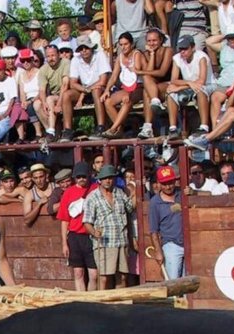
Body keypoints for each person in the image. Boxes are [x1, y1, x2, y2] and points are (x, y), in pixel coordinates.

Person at [84, 164, 134, 290]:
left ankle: (122, 306)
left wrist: (135, 190)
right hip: (104, 242)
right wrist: (94, 233)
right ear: (100, 180)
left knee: (122, 276)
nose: (108, 180)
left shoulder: (120, 193)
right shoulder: (92, 197)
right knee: (104, 277)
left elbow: (130, 208)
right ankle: (102, 307)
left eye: (110, 178)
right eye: (105, 178)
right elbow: (87, 222)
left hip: (121, 241)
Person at [57, 161, 97, 291]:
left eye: (83, 176)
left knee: (94, 274)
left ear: (89, 175)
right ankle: (82, 302)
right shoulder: (69, 192)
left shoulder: (96, 188)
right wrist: (64, 243)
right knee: (78, 272)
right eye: (78, 177)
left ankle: (92, 301)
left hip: (92, 236)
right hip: (75, 236)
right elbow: (64, 220)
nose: (81, 179)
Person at [166, 35, 215, 139]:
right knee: (171, 93)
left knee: (200, 90)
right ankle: (173, 128)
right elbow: (174, 79)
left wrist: (180, 87)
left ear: (193, 47)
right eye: (180, 49)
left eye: (185, 49)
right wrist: (189, 83)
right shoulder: (177, 58)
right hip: (190, 86)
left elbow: (201, 81)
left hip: (208, 85)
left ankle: (204, 127)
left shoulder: (201, 57)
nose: (182, 52)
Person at [64, 35, 110, 140]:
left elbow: (103, 81)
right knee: (67, 95)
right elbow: (73, 83)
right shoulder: (76, 60)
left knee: (96, 90)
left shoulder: (100, 55)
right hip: (83, 89)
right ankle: (67, 130)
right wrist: (85, 90)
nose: (84, 51)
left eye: (86, 48)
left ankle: (101, 127)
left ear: (91, 47)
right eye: (81, 49)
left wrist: (87, 89)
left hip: (99, 89)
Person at [148, 166, 185, 280]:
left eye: (170, 182)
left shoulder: (183, 194)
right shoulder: (155, 203)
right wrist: (159, 252)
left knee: (189, 283)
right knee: (173, 282)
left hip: (189, 244)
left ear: (175, 181)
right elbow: (153, 230)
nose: (168, 186)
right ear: (158, 184)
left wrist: (194, 193)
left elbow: (208, 195)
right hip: (171, 245)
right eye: (164, 184)